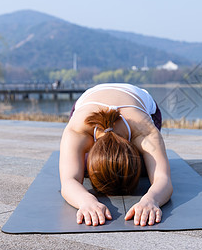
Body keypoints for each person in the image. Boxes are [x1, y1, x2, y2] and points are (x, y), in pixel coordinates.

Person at [59, 83, 172, 227]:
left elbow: (163, 178)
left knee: (145, 166)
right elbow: (69, 181)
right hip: (87, 103)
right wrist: (86, 201)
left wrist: (151, 200)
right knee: (83, 169)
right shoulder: (77, 129)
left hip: (142, 108)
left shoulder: (145, 130)